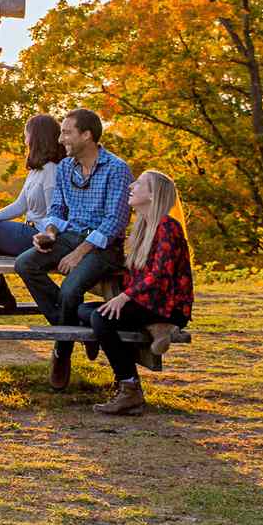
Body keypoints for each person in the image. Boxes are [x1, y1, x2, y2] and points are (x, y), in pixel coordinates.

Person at [13, 108, 130, 391]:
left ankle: (61, 351)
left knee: (69, 290)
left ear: (87, 135)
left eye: (67, 132)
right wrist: (49, 233)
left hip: (103, 246)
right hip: (68, 236)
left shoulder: (116, 169)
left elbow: (114, 221)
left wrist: (80, 253)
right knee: (25, 264)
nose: (61, 138)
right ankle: (84, 331)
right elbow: (57, 209)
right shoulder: (66, 166)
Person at [78, 169, 193, 415]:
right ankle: (155, 327)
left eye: (139, 184)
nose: (131, 186)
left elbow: (159, 274)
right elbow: (137, 274)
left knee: (101, 318)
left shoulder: (167, 227)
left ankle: (129, 387)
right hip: (147, 304)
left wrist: (124, 297)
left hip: (168, 307)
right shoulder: (143, 227)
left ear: (153, 195)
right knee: (83, 309)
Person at [0, 114, 65, 257]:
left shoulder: (51, 170)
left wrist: (47, 239)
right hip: (26, 231)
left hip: (35, 237)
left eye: (26, 136)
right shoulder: (37, 170)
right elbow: (20, 206)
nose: (25, 141)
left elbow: (54, 215)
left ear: (36, 138)